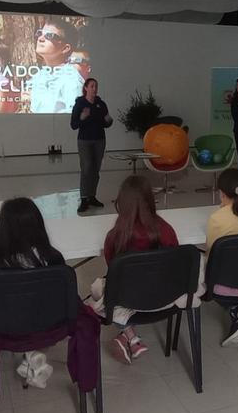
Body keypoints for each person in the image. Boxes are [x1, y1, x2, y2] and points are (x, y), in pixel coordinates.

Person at [0, 197, 68, 389]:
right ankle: (31, 353)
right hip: (47, 323)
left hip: (7, 326)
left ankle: (30, 354)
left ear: (3, 227)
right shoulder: (52, 257)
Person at [91, 176, 180, 364]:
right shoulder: (166, 230)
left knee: (97, 290)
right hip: (165, 298)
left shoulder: (115, 236)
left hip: (130, 299)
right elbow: (174, 261)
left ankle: (129, 334)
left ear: (121, 203)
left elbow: (113, 269)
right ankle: (131, 339)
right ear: (150, 199)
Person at [204, 168, 238, 347]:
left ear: (221, 193)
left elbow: (211, 253)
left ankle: (236, 309)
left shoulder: (216, 218)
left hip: (225, 279)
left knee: (202, 271)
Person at [71, 78, 113, 213]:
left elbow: (106, 123)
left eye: (96, 86)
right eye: (92, 86)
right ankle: (84, 198)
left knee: (95, 169)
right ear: (86, 88)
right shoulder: (80, 104)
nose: (95, 89)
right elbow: (73, 125)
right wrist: (82, 118)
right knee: (87, 167)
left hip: (99, 140)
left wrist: (109, 121)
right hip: (84, 141)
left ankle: (92, 196)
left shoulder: (101, 104)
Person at [28, 21, 86, 113]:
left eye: (49, 36)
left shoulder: (71, 79)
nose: (40, 38)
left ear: (65, 48)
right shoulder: (38, 76)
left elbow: (76, 118)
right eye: (39, 33)